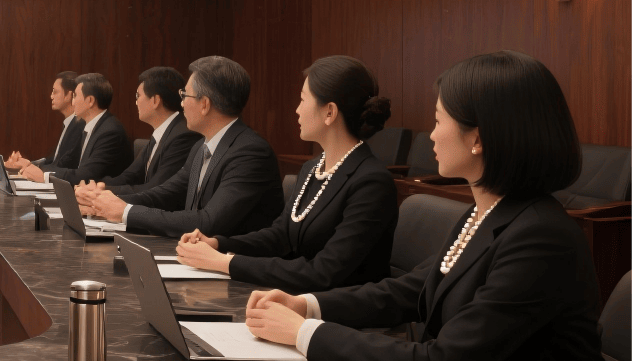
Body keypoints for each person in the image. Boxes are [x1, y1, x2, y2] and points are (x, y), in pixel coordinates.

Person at [245, 52, 613, 361]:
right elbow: (409, 289)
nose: (432, 134)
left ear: (478, 138)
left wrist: (304, 333)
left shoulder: (539, 238)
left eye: (438, 120)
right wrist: (305, 304)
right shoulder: (491, 212)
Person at [175, 56, 399, 291]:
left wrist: (225, 263)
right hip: (296, 299)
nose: (297, 110)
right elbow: (280, 236)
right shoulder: (312, 168)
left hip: (338, 309)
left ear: (330, 112)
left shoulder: (371, 183)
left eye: (302, 100)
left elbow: (324, 273)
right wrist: (218, 244)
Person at [78, 56, 279, 238]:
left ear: (204, 104)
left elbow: (208, 222)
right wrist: (102, 201)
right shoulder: (201, 146)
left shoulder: (250, 153)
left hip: (231, 262)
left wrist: (125, 212)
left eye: (185, 96)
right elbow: (165, 193)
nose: (181, 104)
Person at [93, 66, 201, 192]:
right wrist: (96, 187)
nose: (136, 102)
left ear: (155, 100)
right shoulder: (162, 131)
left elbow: (156, 189)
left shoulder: (183, 136)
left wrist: (101, 192)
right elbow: (130, 176)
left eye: (138, 95)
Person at [16, 73, 131, 184]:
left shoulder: (110, 132)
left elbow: (85, 176)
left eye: (75, 96)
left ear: (90, 101)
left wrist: (44, 175)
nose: (73, 102)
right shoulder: (94, 126)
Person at [1, 71, 83, 173]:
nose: (51, 96)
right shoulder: (69, 123)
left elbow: (63, 164)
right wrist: (27, 164)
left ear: (69, 95)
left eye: (55, 92)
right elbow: (53, 159)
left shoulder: (79, 126)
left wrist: (28, 166)